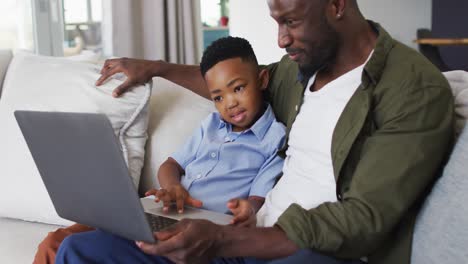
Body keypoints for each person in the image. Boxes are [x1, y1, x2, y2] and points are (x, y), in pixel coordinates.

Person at [54, 0, 454, 263]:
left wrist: (222, 240)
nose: (282, 39)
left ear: (336, 5)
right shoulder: (302, 69)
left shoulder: (412, 87)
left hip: (309, 251)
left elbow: (364, 219)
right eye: (277, 22)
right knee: (81, 249)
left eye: (291, 21)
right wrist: (157, 68)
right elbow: (233, 83)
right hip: (246, 239)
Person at [33, 37, 286, 263]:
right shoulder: (211, 125)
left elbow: (257, 200)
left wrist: (248, 210)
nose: (230, 103)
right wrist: (172, 187)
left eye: (238, 88)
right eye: (218, 97)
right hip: (170, 213)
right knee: (64, 244)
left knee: (76, 248)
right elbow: (170, 166)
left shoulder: (274, 139)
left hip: (206, 233)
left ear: (262, 80)